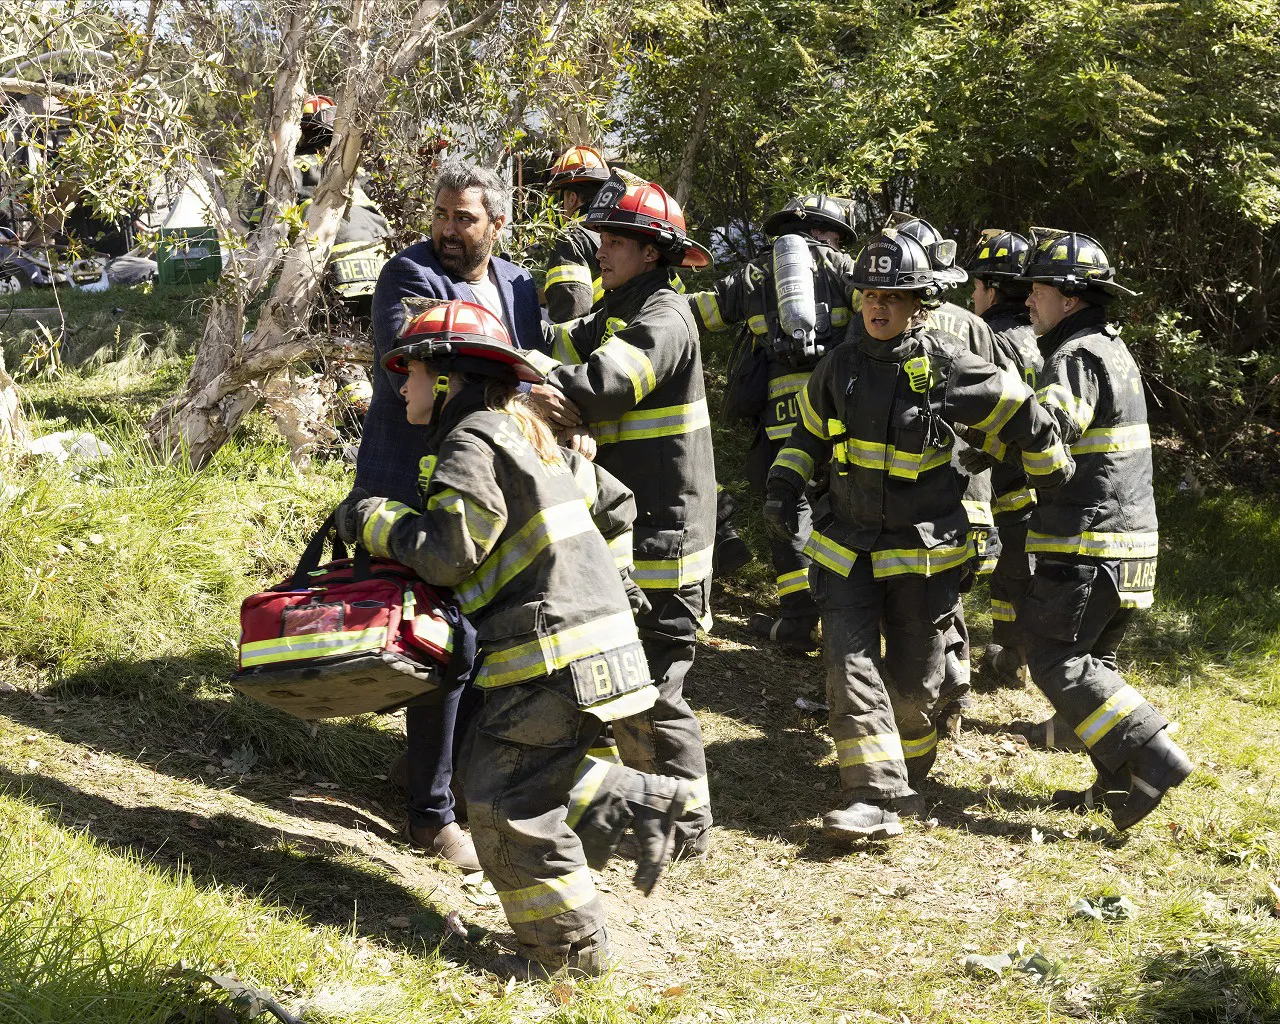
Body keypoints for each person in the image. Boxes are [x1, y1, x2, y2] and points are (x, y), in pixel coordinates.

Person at [336, 301, 694, 977]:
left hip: (551, 654)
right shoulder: (522, 429)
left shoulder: (470, 440)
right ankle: (652, 810)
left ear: (446, 379)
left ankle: (566, 959)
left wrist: (375, 519)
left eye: (408, 371)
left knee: (503, 804)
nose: (399, 386)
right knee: (508, 779)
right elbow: (614, 502)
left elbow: (449, 554)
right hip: (599, 647)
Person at [764, 228, 1068, 840]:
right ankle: (873, 797)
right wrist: (782, 485)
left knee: (912, 684)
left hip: (922, 554)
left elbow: (1024, 413)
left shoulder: (948, 364)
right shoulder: (838, 367)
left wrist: (1049, 470)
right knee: (847, 662)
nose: (876, 307)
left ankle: (917, 744)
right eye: (868, 295)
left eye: (892, 297)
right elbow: (807, 437)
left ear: (918, 304)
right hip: (847, 546)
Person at [354, 160, 546, 868]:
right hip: (413, 485)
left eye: (463, 218)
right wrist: (532, 393)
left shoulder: (520, 285)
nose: (445, 231)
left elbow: (535, 362)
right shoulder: (407, 278)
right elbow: (415, 364)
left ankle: (429, 776)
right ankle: (430, 817)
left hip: (486, 490)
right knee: (444, 643)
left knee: (482, 641)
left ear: (497, 224)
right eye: (439, 215)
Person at [527, 172, 716, 855]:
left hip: (669, 541)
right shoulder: (617, 310)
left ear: (654, 251)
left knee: (658, 688)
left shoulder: (663, 316)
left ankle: (688, 827)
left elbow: (607, 384)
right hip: (632, 534)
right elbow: (559, 350)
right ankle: (648, 809)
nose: (602, 247)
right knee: (616, 675)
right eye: (604, 235)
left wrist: (552, 390)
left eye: (619, 239)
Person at [1012, 229, 1192, 828]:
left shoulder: (1075, 356)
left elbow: (1051, 430)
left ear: (1069, 298)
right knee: (1094, 663)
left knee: (1054, 657)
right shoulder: (1113, 349)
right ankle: (1122, 784)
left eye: (1037, 289)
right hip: (1130, 543)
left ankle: (1155, 754)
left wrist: (986, 440)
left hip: (1088, 542)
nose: (1029, 301)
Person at [688, 194, 859, 650]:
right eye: (838, 236)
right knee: (847, 512)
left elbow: (701, 314)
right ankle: (848, 618)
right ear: (831, 232)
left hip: (781, 424)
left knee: (784, 510)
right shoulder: (848, 268)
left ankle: (798, 619)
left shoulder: (755, 272)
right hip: (841, 415)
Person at [965, 229, 1044, 692]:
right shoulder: (1042, 337)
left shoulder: (990, 339)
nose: (972, 297)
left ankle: (1014, 657)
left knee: (1008, 569)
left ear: (992, 290)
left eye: (975, 287)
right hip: (1042, 475)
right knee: (1021, 567)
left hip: (1002, 475)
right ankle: (1013, 655)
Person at [542, 145, 611, 322]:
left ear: (571, 198)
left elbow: (569, 316)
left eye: (558, 199)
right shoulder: (624, 230)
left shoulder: (571, 238)